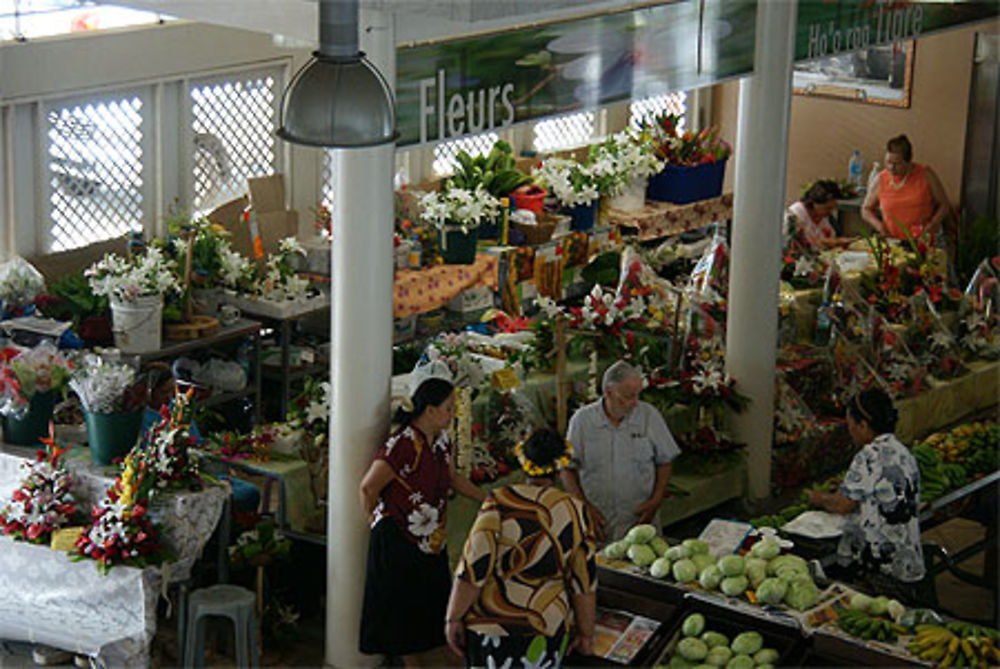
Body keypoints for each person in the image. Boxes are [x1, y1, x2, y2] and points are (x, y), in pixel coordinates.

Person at [358, 377, 486, 666]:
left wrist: (486, 499)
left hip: (430, 539)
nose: (452, 415)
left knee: (427, 599)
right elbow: (368, 487)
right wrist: (376, 521)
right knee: (402, 606)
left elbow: (452, 478)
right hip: (399, 536)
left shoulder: (441, 441)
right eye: (448, 409)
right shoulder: (402, 444)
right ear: (429, 410)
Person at [445, 428, 597, 668]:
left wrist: (453, 618)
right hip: (547, 625)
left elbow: (474, 567)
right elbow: (584, 583)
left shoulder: (498, 501)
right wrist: (586, 633)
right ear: (559, 466)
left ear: (523, 460)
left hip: (492, 624)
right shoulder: (575, 510)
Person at [806, 388, 932, 605]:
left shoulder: (868, 456)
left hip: (884, 572)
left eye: (851, 425)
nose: (851, 431)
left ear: (863, 425)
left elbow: (844, 505)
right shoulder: (904, 452)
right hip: (910, 566)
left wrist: (818, 498)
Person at [560, 360, 681, 542]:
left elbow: (664, 461)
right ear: (609, 392)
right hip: (599, 520)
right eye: (628, 396)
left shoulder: (649, 416)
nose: (634, 403)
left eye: (637, 395)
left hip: (639, 520)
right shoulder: (582, 421)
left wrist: (656, 501)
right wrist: (583, 507)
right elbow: (566, 468)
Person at [862, 134, 953, 244]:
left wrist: (932, 225)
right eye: (888, 162)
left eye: (896, 164)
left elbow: (944, 205)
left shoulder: (925, 174)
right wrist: (879, 226)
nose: (891, 168)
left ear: (908, 161)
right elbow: (866, 209)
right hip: (892, 241)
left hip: (922, 242)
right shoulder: (881, 179)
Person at [786, 180, 854, 250]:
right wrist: (833, 242)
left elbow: (828, 239)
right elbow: (803, 242)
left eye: (833, 208)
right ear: (814, 203)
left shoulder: (824, 217)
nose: (831, 212)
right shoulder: (796, 214)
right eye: (828, 208)